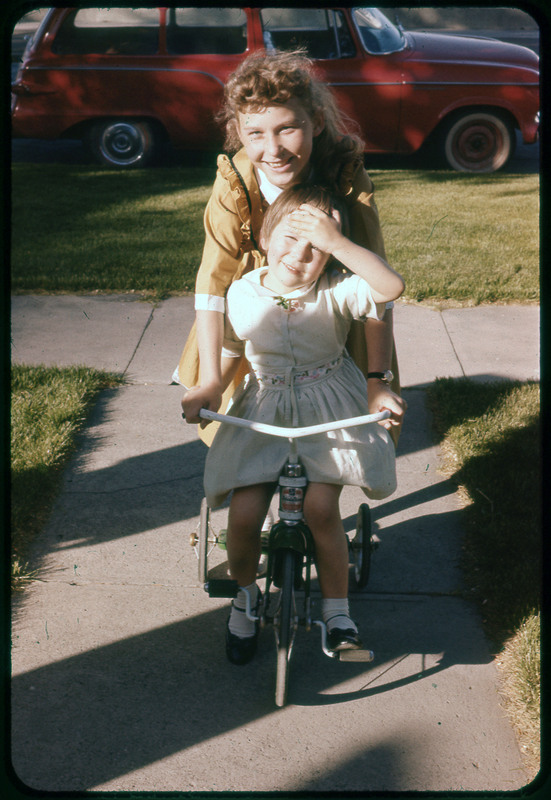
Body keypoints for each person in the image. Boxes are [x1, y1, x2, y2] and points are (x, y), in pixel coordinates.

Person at [186, 184, 404, 665]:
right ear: (265, 237)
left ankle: (337, 612)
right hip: (265, 409)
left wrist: (342, 245)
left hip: (328, 409)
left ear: (330, 257)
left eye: (317, 247)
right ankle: (244, 600)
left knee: (321, 510)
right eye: (289, 239)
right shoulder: (242, 292)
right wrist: (207, 389)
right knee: (243, 517)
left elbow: (390, 290)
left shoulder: (336, 290)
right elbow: (227, 352)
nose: (299, 254)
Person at [177, 49, 406, 445]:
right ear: (239, 131)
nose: (273, 150)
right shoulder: (235, 181)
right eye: (256, 134)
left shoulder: (346, 175)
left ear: (316, 121)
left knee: (338, 426)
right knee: (244, 420)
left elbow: (375, 287)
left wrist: (376, 380)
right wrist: (212, 380)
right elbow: (212, 285)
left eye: (286, 129)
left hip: (329, 309)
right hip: (252, 307)